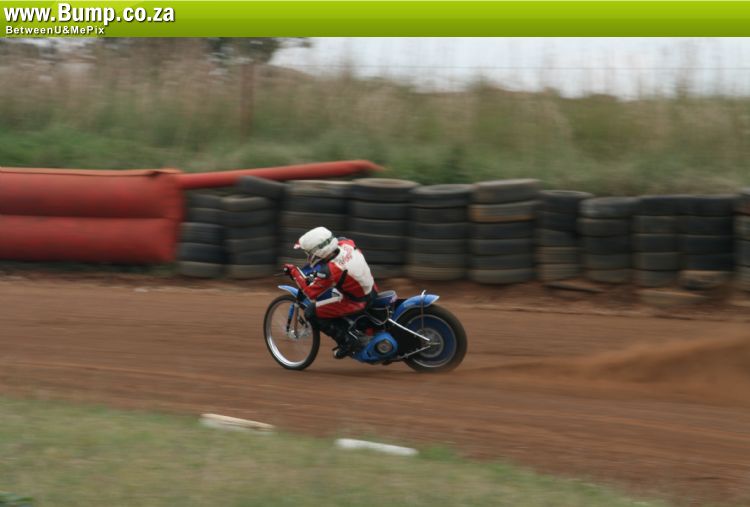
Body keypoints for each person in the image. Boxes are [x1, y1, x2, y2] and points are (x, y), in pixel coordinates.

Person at [283, 226, 377, 359]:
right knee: (332, 294)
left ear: (317, 252)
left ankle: (347, 341)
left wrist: (294, 272)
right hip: (371, 288)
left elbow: (311, 293)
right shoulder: (346, 243)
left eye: (309, 253)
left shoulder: (331, 270)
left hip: (358, 301)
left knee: (311, 312)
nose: (308, 256)